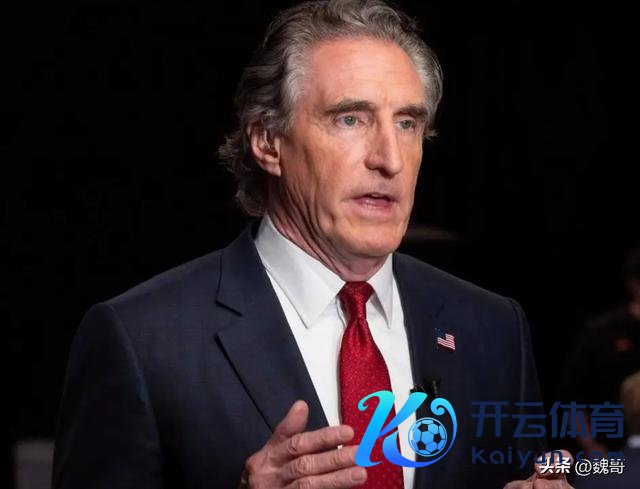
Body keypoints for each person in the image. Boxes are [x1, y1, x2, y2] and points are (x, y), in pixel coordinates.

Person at [52, 1, 572, 488]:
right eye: (351, 119)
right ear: (267, 141)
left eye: (407, 123)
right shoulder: (143, 340)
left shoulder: (491, 328)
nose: (389, 158)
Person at [563, 248, 640, 456]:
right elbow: (573, 400)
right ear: (634, 283)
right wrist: (592, 447)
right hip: (613, 455)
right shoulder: (602, 333)